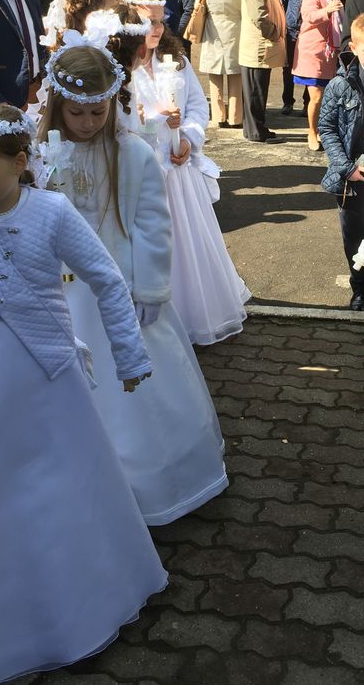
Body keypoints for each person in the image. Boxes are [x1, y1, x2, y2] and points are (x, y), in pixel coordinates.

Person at [0, 103, 166, 685]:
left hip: (46, 378)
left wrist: (129, 354)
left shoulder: (52, 212)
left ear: (21, 162)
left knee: (58, 484)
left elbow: (106, 279)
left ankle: (72, 604)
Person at [39, 44, 229, 522]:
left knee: (141, 391)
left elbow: (152, 225)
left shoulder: (132, 154)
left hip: (122, 285)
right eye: (76, 112)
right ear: (57, 106)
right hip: (59, 292)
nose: (87, 123)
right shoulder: (40, 157)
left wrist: (150, 288)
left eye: (97, 112)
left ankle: (156, 482)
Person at [132, 14, 251, 344]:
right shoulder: (124, 67)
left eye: (159, 21)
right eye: (148, 21)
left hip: (181, 170)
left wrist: (188, 138)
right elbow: (126, 118)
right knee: (159, 243)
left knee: (189, 243)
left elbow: (198, 106)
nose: (156, 28)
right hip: (148, 171)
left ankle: (196, 314)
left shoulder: (176, 60)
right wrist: (158, 120)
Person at [318, 13, 364, 311]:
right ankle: (360, 286)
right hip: (353, 177)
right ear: (353, 48)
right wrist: (346, 168)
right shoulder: (340, 84)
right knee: (354, 236)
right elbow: (327, 129)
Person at [292, 0, 343, 150]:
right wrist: (327, 10)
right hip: (313, 53)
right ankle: (312, 132)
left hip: (330, 53)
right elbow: (309, 16)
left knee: (327, 96)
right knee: (316, 96)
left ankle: (323, 130)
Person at [239, 0, 287, 143]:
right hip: (257, 49)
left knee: (258, 91)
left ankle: (256, 129)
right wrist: (275, 33)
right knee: (255, 92)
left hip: (262, 47)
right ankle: (255, 132)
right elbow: (259, 17)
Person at [198, 0, 244, 127]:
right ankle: (235, 117)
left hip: (213, 28)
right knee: (236, 75)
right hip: (236, 28)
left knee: (215, 74)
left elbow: (197, 5)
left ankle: (219, 117)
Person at [279, 0, 314, 114]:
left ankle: (308, 104)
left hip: (310, 31)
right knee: (288, 69)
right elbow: (281, 3)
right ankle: (288, 102)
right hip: (291, 31)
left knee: (310, 68)